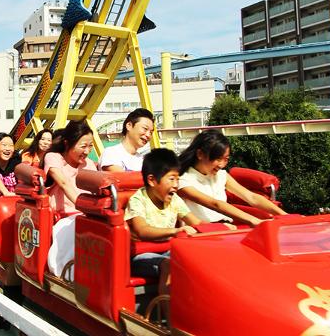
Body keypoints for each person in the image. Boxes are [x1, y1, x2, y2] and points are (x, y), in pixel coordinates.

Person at [125, 148, 201, 295]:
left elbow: (196, 222)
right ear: (152, 180)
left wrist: (221, 228)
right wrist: (175, 231)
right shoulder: (138, 200)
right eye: (171, 179)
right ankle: (168, 315)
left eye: (177, 179)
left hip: (166, 251)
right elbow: (142, 230)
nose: (176, 185)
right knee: (169, 265)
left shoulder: (174, 199)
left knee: (195, 261)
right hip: (139, 256)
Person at [177, 130, 287, 227]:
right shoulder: (183, 181)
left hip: (226, 227)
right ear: (200, 154)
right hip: (203, 231)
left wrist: (284, 215)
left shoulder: (221, 175)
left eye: (225, 159)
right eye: (218, 159)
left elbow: (251, 197)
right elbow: (215, 204)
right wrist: (253, 220)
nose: (221, 165)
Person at [43, 120, 98, 215]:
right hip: (62, 215)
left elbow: (97, 189)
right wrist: (84, 208)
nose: (87, 151)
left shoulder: (88, 164)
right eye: (83, 146)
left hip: (86, 215)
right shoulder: (53, 157)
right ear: (67, 143)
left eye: (90, 146)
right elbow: (64, 183)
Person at [99, 108, 154, 172]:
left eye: (151, 132)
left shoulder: (142, 160)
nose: (148, 135)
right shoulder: (111, 153)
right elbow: (120, 179)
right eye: (145, 129)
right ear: (129, 126)